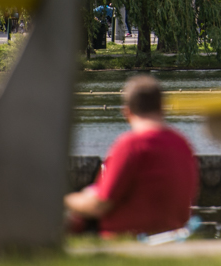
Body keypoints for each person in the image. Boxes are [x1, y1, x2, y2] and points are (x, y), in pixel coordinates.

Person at [65, 75, 197, 237]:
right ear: (162, 108)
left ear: (126, 111)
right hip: (170, 234)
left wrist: (64, 200)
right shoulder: (182, 143)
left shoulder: (132, 145)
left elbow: (100, 205)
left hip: (129, 237)